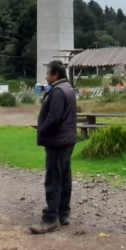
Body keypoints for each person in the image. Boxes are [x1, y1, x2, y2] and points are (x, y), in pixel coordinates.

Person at [30, 59, 77, 234]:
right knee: (64, 177)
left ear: (55, 74)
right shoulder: (69, 88)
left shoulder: (58, 91)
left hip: (58, 141)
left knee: (53, 180)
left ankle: (50, 219)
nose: (46, 76)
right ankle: (63, 214)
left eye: (48, 73)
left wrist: (41, 129)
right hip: (67, 139)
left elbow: (54, 117)